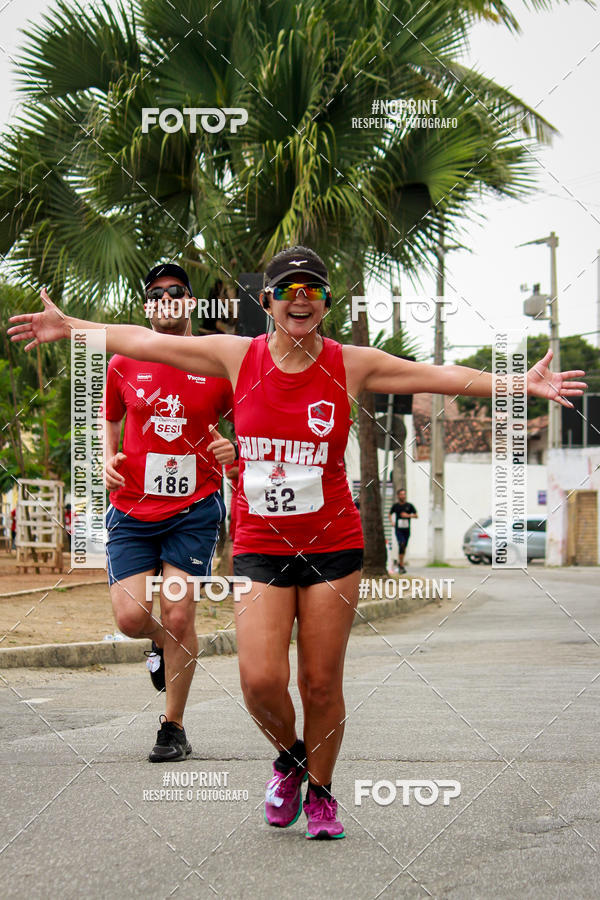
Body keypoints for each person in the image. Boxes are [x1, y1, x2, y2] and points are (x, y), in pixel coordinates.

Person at [8, 245, 586, 839]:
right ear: (268, 302)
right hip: (260, 544)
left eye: (312, 289)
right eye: (288, 290)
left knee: (319, 683)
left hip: (333, 543)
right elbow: (143, 342)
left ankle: (323, 794)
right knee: (260, 682)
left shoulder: (350, 363)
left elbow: (440, 376)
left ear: (327, 303)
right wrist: (70, 328)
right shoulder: (236, 357)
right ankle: (291, 758)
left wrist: (518, 383)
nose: (300, 298)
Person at [105, 263, 236, 762]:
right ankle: (159, 642)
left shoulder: (216, 361)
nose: (166, 299)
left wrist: (234, 450)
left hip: (194, 509)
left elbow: (248, 426)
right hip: (132, 509)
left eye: (176, 291)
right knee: (131, 619)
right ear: (146, 306)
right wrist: (106, 458)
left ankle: (172, 726)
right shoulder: (124, 361)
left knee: (179, 614)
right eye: (156, 293)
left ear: (190, 302)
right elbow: (110, 419)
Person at [389, 488, 417, 573]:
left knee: (404, 546)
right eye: (401, 494)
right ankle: (401, 564)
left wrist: (408, 515)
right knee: (401, 544)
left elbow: (416, 515)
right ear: (398, 496)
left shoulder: (409, 505)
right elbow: (389, 514)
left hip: (406, 529)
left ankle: (400, 563)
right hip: (399, 529)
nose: (403, 496)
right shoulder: (396, 506)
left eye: (404, 494)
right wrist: (392, 522)